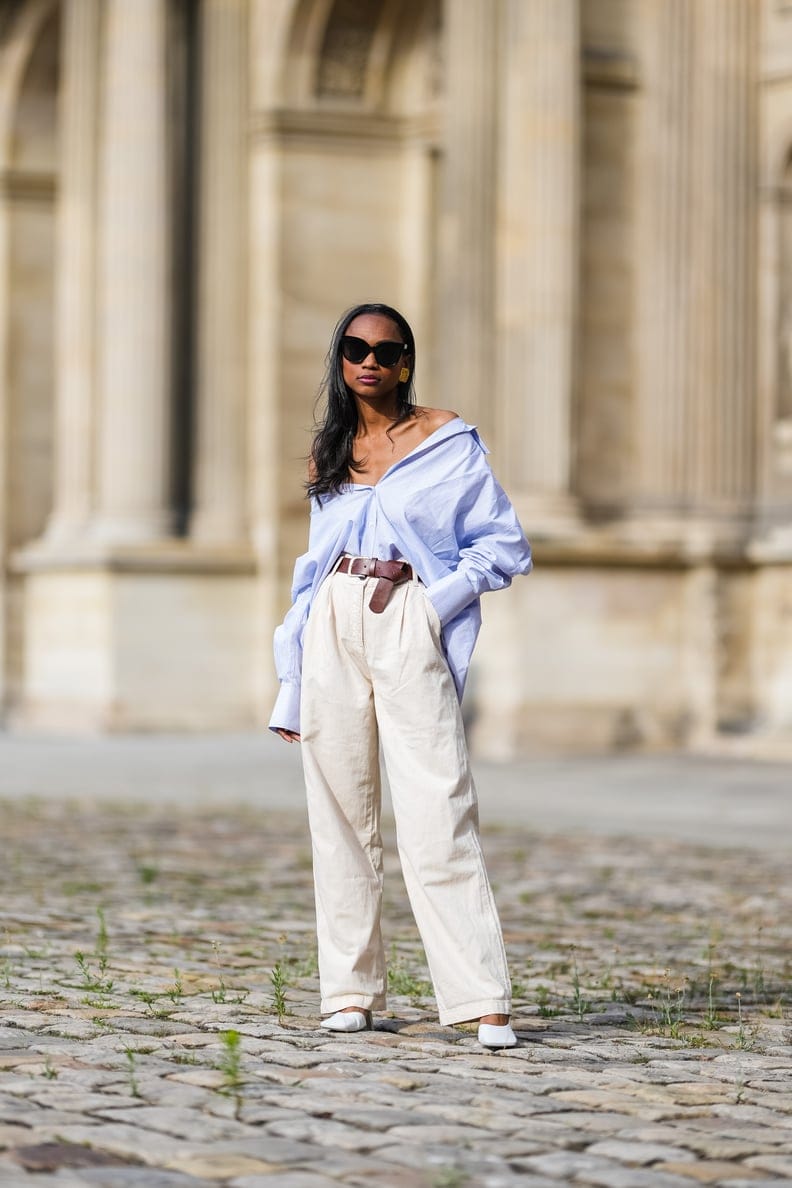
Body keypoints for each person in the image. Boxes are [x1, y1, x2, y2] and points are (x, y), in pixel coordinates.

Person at [270, 302, 532, 1049]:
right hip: (331, 624)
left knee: (437, 804)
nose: (370, 360)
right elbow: (309, 573)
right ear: (341, 360)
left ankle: (482, 998)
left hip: (407, 611)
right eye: (355, 347)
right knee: (339, 814)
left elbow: (502, 544)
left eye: (387, 349)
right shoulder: (333, 452)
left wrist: (433, 602)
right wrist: (291, 681)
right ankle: (349, 989)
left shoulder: (447, 441)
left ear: (407, 361)